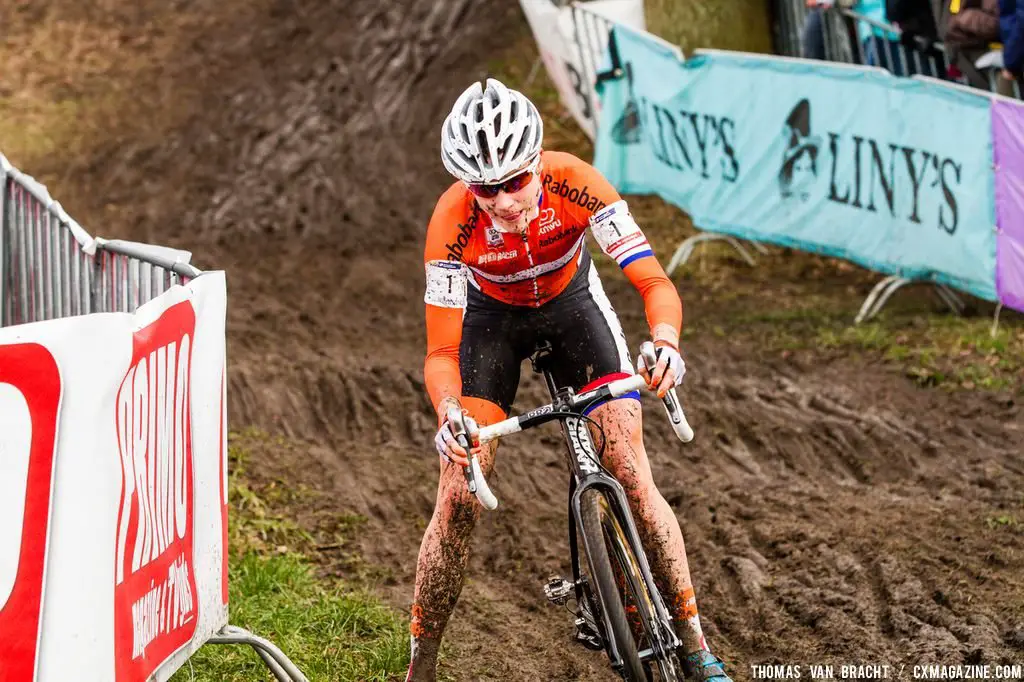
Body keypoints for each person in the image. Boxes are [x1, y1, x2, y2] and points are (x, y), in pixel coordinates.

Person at [408, 77, 732, 682]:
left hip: (573, 307)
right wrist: (450, 413)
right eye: (486, 189)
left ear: (537, 163)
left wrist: (665, 345)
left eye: (516, 181)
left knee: (631, 471)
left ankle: (695, 643)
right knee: (457, 494)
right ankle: (419, 666)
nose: (504, 201)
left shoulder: (574, 182)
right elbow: (442, 349)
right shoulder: (450, 221)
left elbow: (654, 284)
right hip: (491, 324)